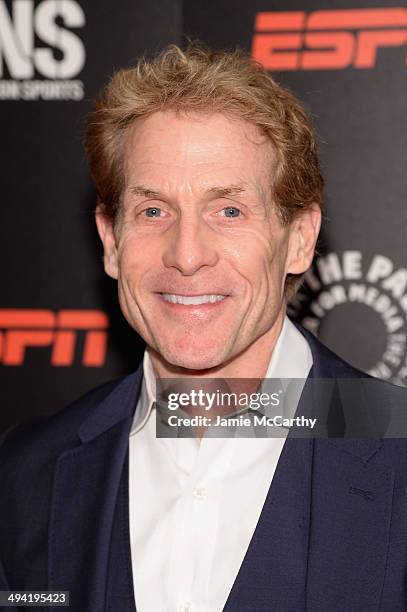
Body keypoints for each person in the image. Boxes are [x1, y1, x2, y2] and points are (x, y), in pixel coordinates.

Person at [1, 42, 407, 612]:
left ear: (299, 238)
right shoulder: (23, 474)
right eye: (152, 211)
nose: (186, 255)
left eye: (229, 211)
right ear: (111, 241)